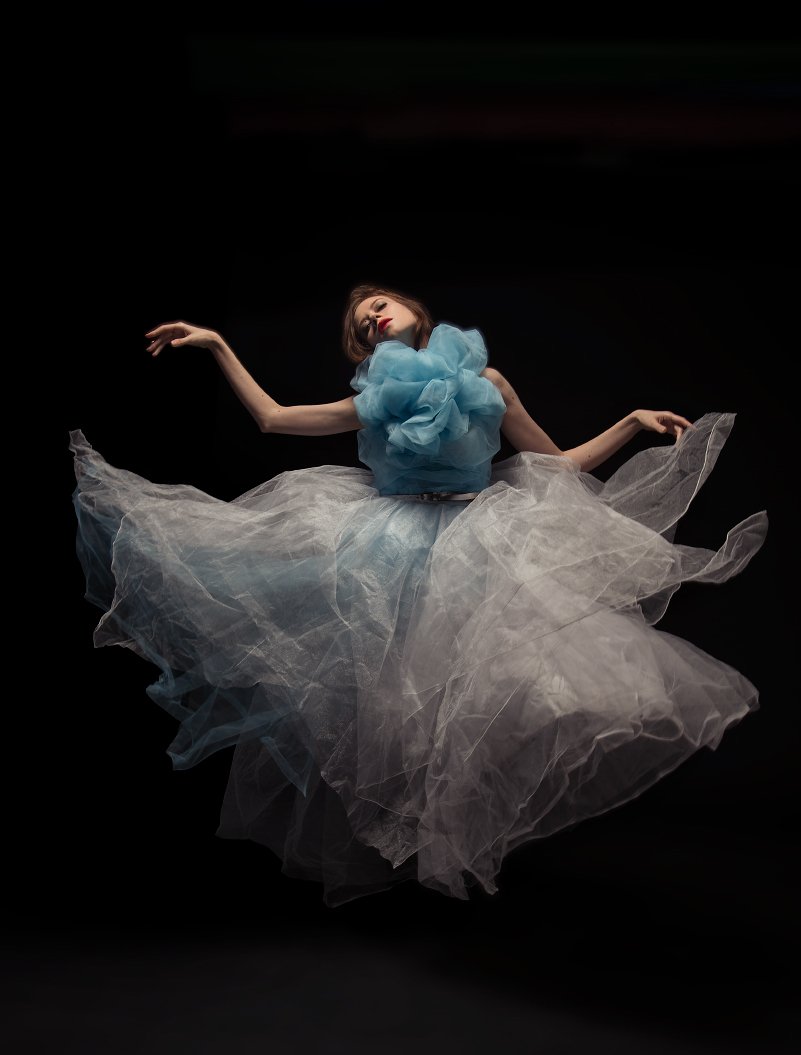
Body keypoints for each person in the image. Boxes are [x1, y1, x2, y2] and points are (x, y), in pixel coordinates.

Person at [70, 283, 768, 907]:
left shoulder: (486, 381)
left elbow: (554, 464)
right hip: (387, 550)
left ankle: (457, 840)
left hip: (476, 541)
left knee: (488, 692)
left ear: (414, 311)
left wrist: (630, 422)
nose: (370, 316)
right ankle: (408, 852)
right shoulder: (373, 397)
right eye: (358, 321)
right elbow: (275, 420)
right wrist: (219, 344)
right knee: (391, 706)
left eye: (379, 304)